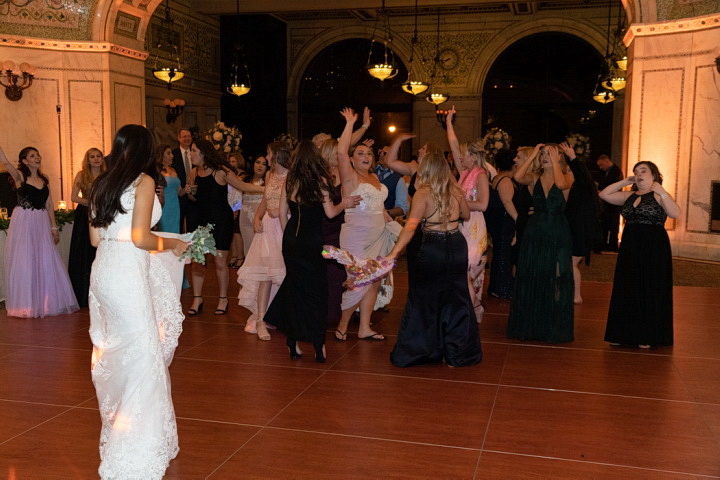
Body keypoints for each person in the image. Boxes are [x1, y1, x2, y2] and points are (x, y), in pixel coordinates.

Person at [87, 124, 189, 479]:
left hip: (103, 271)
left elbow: (95, 239)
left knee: (119, 349)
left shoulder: (101, 183)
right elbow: (141, 238)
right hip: (127, 273)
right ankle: (134, 444)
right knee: (143, 353)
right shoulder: (143, 181)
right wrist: (173, 244)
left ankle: (126, 423)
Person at [385, 151, 482, 367]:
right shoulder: (455, 190)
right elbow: (466, 215)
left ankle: (421, 350)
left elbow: (410, 227)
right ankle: (457, 354)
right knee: (457, 297)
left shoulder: (423, 193)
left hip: (433, 247)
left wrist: (394, 253)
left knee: (425, 298)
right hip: (456, 245)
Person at [265, 140, 359, 363]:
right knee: (317, 293)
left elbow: (282, 213)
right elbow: (330, 213)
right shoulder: (321, 181)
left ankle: (292, 342)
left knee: (295, 289)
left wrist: (288, 237)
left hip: (291, 239)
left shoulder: (290, 180)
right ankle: (318, 345)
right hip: (311, 240)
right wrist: (345, 203)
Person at [334, 108, 400, 342]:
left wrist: (385, 215)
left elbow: (377, 204)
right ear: (352, 159)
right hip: (357, 238)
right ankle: (342, 325)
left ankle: (364, 327)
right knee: (359, 282)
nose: (365, 156)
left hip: (378, 236)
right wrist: (351, 123)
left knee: (374, 281)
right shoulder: (350, 176)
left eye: (369, 153)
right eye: (360, 153)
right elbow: (340, 151)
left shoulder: (375, 177)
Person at [599, 161, 679, 348]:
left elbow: (675, 213)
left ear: (654, 175)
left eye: (643, 171)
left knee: (649, 286)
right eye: (636, 172)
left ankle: (647, 335)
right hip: (630, 246)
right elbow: (604, 194)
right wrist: (625, 181)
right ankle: (622, 333)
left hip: (653, 246)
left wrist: (662, 192)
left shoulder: (659, 195)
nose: (639, 174)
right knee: (627, 286)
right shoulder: (629, 195)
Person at [184, 139, 263, 317]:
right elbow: (194, 199)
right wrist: (190, 193)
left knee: (220, 262)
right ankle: (197, 298)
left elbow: (243, 186)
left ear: (203, 153)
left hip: (221, 221)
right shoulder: (194, 172)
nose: (191, 154)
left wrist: (267, 189)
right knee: (198, 262)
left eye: (194, 150)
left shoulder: (221, 171)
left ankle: (223, 299)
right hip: (200, 221)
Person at [0, 145, 79, 318]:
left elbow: (49, 204)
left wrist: (54, 227)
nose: (37, 157)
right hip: (24, 220)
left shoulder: (45, 179)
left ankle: (45, 302)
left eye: (37, 155)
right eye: (32, 155)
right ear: (24, 161)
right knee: (26, 259)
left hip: (41, 220)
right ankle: (27, 303)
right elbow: (6, 163)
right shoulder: (20, 176)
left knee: (45, 258)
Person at [508, 144, 575, 343]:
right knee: (533, 272)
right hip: (535, 231)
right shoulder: (534, 177)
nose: (545, 157)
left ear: (559, 157)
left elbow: (561, 185)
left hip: (557, 230)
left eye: (550, 154)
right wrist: (533, 156)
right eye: (543, 154)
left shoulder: (568, 176)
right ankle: (532, 323)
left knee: (557, 274)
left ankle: (553, 324)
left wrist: (555, 162)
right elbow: (518, 177)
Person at [237, 141, 291, 339]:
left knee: (283, 274)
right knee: (265, 274)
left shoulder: (292, 175)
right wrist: (257, 218)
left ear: (277, 155)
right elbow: (265, 200)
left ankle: (277, 315)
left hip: (284, 226)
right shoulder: (270, 175)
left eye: (269, 154)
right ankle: (260, 320)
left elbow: (296, 202)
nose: (267, 158)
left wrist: (281, 210)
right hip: (268, 227)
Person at [445, 107, 490, 316]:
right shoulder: (465, 172)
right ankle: (472, 308)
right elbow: (453, 146)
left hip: (474, 226)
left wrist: (459, 202)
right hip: (460, 225)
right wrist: (448, 123)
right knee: (459, 270)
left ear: (472, 156)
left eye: (463, 155)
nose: (460, 158)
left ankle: (472, 310)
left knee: (468, 269)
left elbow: (483, 204)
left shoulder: (480, 175)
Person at [559, 142, 603, 304]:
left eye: (570, 170)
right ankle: (571, 294)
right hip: (576, 230)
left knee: (572, 263)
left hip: (581, 232)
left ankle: (576, 296)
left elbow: (582, 174)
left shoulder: (583, 185)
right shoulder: (579, 188)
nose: (568, 173)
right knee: (570, 263)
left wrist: (573, 158)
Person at [68, 147, 106, 307]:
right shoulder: (81, 175)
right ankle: (83, 293)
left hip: (103, 214)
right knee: (85, 252)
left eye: (98, 156)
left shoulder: (107, 175)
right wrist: (90, 203)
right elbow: (73, 197)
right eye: (92, 157)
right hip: (85, 215)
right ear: (88, 160)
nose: (96, 159)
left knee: (101, 252)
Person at [485, 149, 518, 299]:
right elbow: (507, 202)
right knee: (504, 254)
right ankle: (502, 288)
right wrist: (518, 219)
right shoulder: (505, 180)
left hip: (499, 221)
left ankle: (496, 287)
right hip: (504, 221)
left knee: (500, 254)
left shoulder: (498, 177)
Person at [238, 154, 268, 259]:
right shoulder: (244, 180)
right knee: (248, 247)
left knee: (261, 250)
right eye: (258, 162)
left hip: (262, 219)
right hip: (245, 219)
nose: (260, 166)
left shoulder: (268, 181)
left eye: (264, 164)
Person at [596, 154, 624, 251]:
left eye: (601, 165)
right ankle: (604, 244)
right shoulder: (607, 172)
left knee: (613, 225)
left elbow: (612, 184)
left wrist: (600, 187)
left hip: (614, 203)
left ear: (607, 161)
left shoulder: (616, 171)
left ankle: (612, 245)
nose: (600, 168)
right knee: (606, 224)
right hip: (608, 203)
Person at [156, 144, 184, 233]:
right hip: (163, 207)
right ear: (161, 155)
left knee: (174, 232)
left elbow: (179, 192)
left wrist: (186, 189)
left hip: (175, 207)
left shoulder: (173, 170)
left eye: (171, 153)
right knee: (164, 233)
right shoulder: (157, 171)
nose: (172, 155)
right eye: (168, 153)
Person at [375, 145, 409, 220]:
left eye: (385, 153)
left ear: (394, 157)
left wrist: (386, 213)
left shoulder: (398, 179)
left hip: (384, 221)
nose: (381, 155)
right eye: (380, 152)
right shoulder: (370, 171)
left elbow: (403, 208)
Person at [170, 127, 193, 232]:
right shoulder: (173, 154)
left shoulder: (195, 152)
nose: (187, 139)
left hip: (194, 195)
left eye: (189, 136)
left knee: (193, 225)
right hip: (179, 196)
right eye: (184, 136)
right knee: (178, 225)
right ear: (179, 138)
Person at [226, 152, 245, 268]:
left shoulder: (242, 175)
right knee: (232, 233)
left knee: (238, 233)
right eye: (230, 161)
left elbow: (239, 193)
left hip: (239, 207)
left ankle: (240, 257)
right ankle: (234, 255)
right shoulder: (228, 174)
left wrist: (236, 208)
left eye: (233, 161)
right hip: (229, 206)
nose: (231, 163)